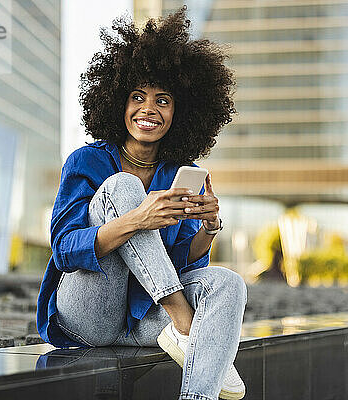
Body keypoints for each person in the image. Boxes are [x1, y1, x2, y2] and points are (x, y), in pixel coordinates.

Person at [36, 7, 247, 400]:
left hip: (149, 320)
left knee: (228, 284)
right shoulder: (87, 161)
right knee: (123, 188)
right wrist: (137, 218)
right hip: (90, 314)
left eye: (162, 101)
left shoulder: (181, 173)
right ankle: (188, 328)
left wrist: (208, 228)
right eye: (138, 97)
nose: (148, 109)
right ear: (118, 101)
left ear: (178, 112)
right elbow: (64, 250)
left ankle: (196, 392)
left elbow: (184, 263)